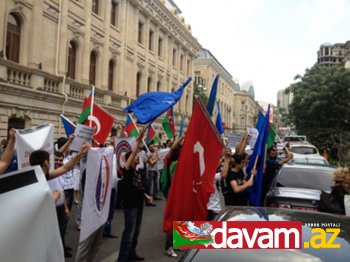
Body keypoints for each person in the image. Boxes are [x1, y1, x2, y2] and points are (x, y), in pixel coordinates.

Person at [117, 128, 153, 262]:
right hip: (130, 206)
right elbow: (131, 155)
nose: (137, 158)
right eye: (135, 157)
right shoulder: (127, 170)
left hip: (138, 204)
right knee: (129, 233)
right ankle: (122, 258)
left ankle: (131, 254)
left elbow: (138, 188)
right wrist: (138, 140)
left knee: (136, 232)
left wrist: (146, 196)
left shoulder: (137, 172)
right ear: (130, 161)